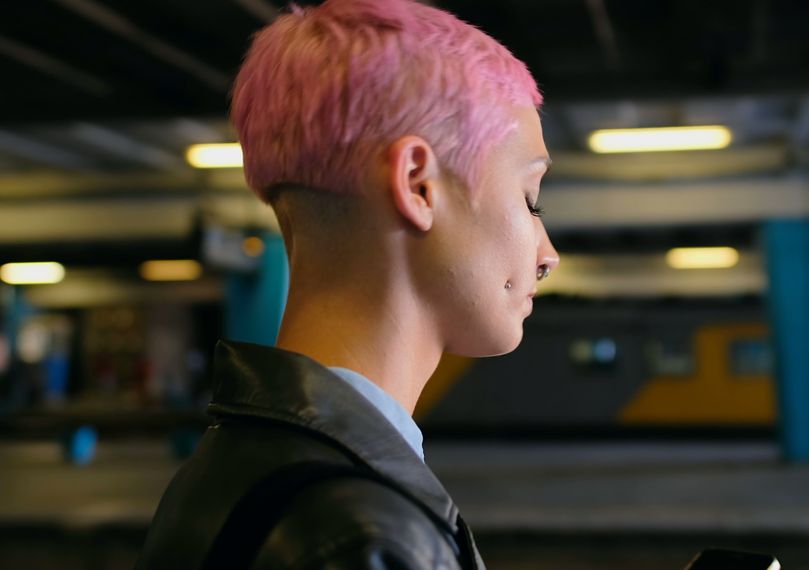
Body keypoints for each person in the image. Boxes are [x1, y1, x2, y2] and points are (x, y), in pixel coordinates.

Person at [137, 0, 558, 567]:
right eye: (530, 199)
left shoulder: (223, 469)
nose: (547, 254)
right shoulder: (358, 533)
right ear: (418, 186)